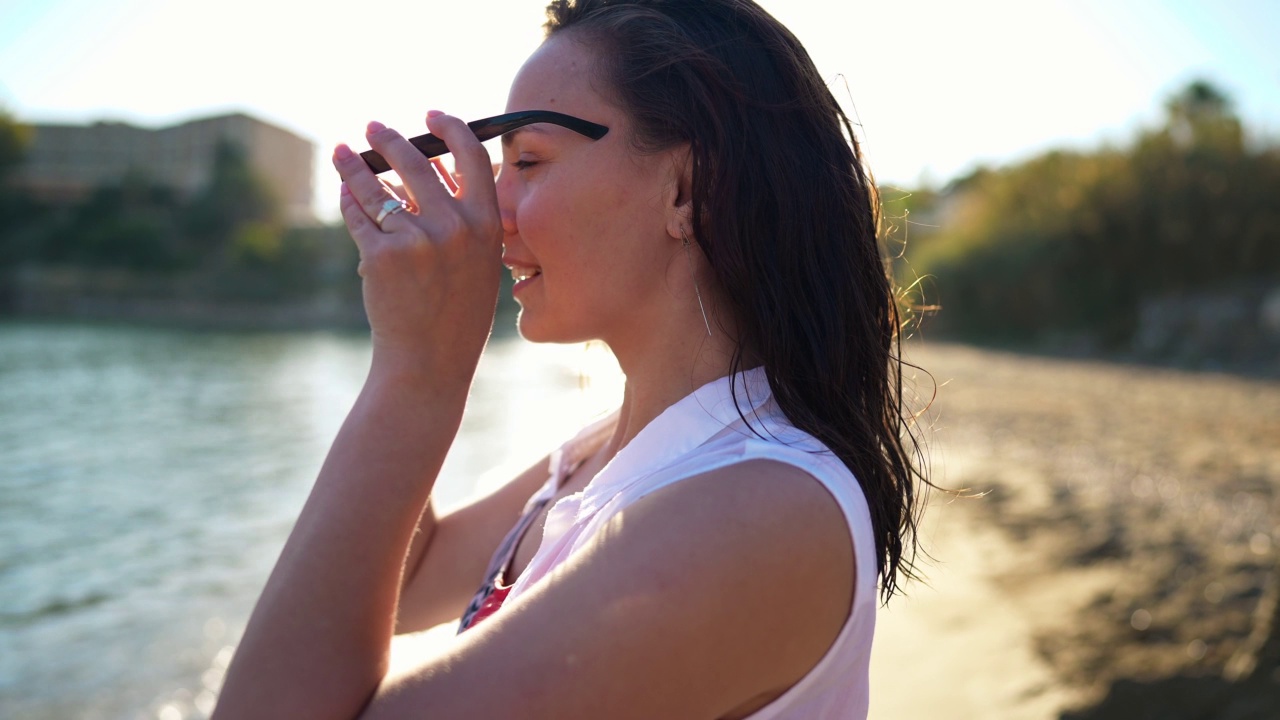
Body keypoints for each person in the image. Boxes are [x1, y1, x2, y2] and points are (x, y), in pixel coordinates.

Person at [212, 1, 928, 718]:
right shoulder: (606, 452)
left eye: (527, 161)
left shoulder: (764, 509)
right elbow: (408, 579)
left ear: (688, 190)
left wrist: (420, 378)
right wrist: (409, 350)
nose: (492, 212)